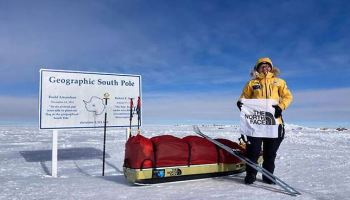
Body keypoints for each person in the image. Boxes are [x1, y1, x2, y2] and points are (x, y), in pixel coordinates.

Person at [237, 57, 293, 184]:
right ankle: (251, 175)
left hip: (274, 123)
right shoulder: (251, 83)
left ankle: (268, 176)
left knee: (270, 153)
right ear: (257, 68)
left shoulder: (279, 82)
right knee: (253, 152)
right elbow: (244, 98)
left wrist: (281, 106)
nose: (265, 68)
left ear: (271, 67)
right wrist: (240, 103)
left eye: (267, 65)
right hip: (256, 124)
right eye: (262, 66)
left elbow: (287, 97)